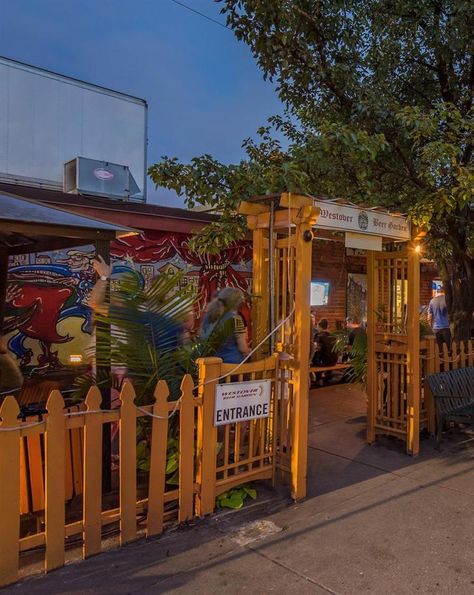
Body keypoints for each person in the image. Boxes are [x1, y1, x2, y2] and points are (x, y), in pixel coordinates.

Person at [89, 255, 183, 353]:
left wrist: (104, 276)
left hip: (131, 363)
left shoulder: (135, 316)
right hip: (164, 366)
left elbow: (95, 304)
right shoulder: (173, 324)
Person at [201, 287, 250, 364]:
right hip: (232, 366)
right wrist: (249, 352)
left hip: (210, 364)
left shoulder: (207, 316)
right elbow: (243, 348)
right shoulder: (236, 319)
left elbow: (201, 337)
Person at [427, 284, 451, 350]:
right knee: (448, 350)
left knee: (438, 350)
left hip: (436, 329)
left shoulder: (432, 301)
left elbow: (429, 317)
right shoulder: (448, 300)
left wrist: (430, 327)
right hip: (446, 328)